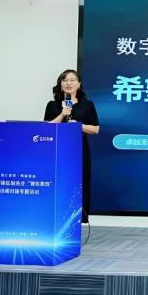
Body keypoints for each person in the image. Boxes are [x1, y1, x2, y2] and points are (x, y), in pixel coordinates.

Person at [44, 69, 99, 223]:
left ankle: (79, 219)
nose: (68, 83)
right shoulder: (52, 105)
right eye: (65, 80)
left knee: (79, 182)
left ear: (79, 84)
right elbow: (46, 128)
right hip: (58, 150)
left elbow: (95, 129)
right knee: (59, 182)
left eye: (72, 80)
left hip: (79, 149)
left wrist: (78, 126)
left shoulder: (87, 104)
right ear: (60, 84)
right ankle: (57, 218)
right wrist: (62, 114)